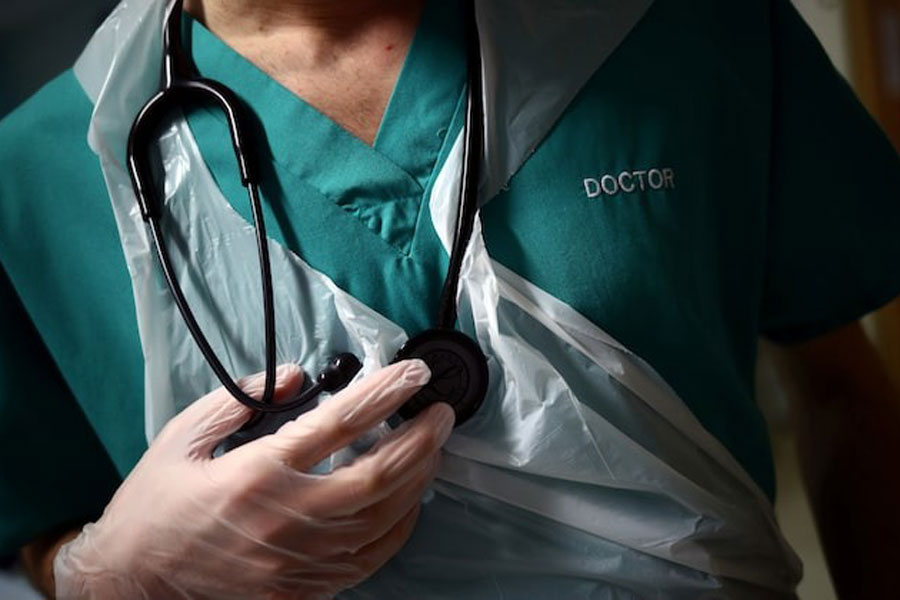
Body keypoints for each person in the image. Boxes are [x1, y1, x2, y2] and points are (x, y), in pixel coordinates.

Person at [1, 0, 899, 598]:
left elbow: (842, 388)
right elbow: (31, 519)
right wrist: (102, 574)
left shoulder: (676, 30)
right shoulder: (38, 174)